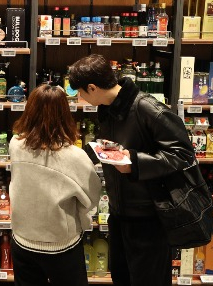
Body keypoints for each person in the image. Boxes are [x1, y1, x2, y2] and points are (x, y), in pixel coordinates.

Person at [68, 54, 195, 286]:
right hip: (119, 213)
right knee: (122, 277)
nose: (79, 98)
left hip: (150, 217)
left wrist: (135, 163)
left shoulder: (147, 108)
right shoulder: (107, 108)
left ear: (92, 88)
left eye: (80, 92)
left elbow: (184, 154)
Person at [9, 84, 101, 286]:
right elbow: (93, 196)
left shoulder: (15, 144)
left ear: (30, 110)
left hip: (23, 238)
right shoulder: (75, 156)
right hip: (61, 244)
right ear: (64, 114)